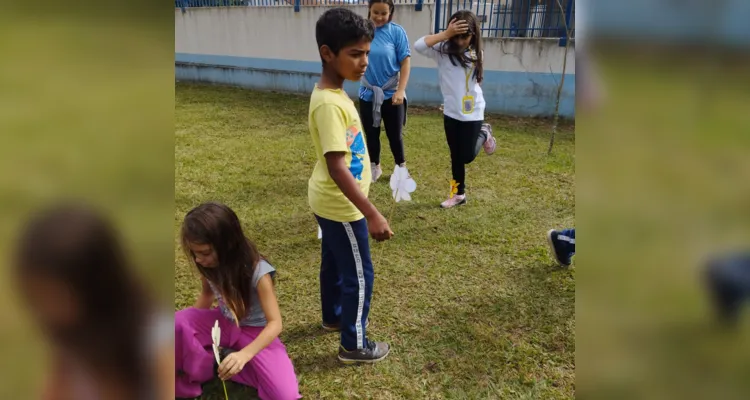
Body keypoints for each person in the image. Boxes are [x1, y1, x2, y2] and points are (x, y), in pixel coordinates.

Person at [12, 203, 174, 400]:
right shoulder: (72, 338)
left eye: (47, 296)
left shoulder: (158, 344)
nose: (38, 309)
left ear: (93, 289)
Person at [309, 8, 394, 364]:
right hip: (343, 207)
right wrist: (371, 213)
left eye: (367, 54)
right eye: (355, 54)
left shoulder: (337, 92)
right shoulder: (329, 103)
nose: (364, 62)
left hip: (329, 203)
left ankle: (332, 317)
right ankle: (354, 344)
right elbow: (336, 166)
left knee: (334, 262)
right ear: (328, 53)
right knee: (359, 274)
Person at [174, 202, 301, 400]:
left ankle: (232, 361)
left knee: (284, 395)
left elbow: (275, 324)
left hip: (256, 332)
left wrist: (245, 355)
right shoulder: (208, 265)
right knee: (177, 323)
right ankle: (206, 364)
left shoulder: (259, 272)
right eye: (195, 253)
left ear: (227, 245)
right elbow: (207, 295)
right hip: (224, 323)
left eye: (204, 253)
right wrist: (189, 336)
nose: (198, 260)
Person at [414, 10, 497, 209]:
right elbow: (418, 46)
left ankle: (484, 133)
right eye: (456, 36)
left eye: (465, 37)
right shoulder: (442, 49)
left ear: (473, 35)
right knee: (455, 156)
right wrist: (445, 34)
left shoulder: (477, 53)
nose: (460, 41)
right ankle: (458, 194)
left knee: (466, 156)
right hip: (451, 111)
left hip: (473, 112)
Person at [359, 0, 412, 182]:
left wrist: (401, 90)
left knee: (394, 134)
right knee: (371, 133)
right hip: (368, 93)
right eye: (376, 12)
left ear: (391, 12)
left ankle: (401, 168)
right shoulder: (362, 31)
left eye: (384, 13)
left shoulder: (396, 32)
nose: (380, 17)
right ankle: (375, 166)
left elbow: (405, 62)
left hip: (392, 94)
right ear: (369, 10)